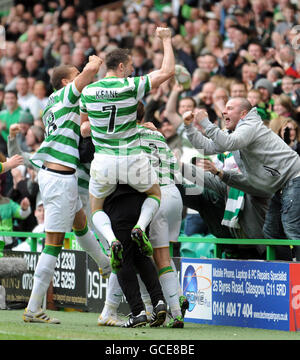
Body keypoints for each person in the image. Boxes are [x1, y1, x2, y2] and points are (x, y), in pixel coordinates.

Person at [22, 56, 111, 324]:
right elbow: (90, 72)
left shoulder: (51, 104)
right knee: (53, 244)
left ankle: (105, 265)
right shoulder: (65, 95)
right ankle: (34, 307)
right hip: (60, 177)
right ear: (65, 81)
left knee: (81, 225)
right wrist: (95, 62)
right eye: (75, 74)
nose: (80, 76)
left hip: (60, 176)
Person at [80, 27, 175, 272]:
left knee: (96, 208)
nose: (132, 70)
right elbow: (167, 71)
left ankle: (111, 240)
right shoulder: (130, 86)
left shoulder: (88, 91)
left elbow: (83, 129)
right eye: (130, 66)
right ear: (121, 67)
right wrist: (165, 40)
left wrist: (101, 128)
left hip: (103, 161)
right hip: (132, 158)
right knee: (155, 194)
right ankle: (140, 228)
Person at [183, 97, 300, 260]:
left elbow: (230, 143)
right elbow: (207, 148)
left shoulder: (251, 125)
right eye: (225, 108)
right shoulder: (234, 133)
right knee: (271, 232)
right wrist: (189, 127)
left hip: (295, 178)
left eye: (230, 108)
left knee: (292, 227)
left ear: (243, 113)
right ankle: (285, 270)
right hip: (280, 185)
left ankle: (298, 273)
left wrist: (206, 123)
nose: (224, 111)